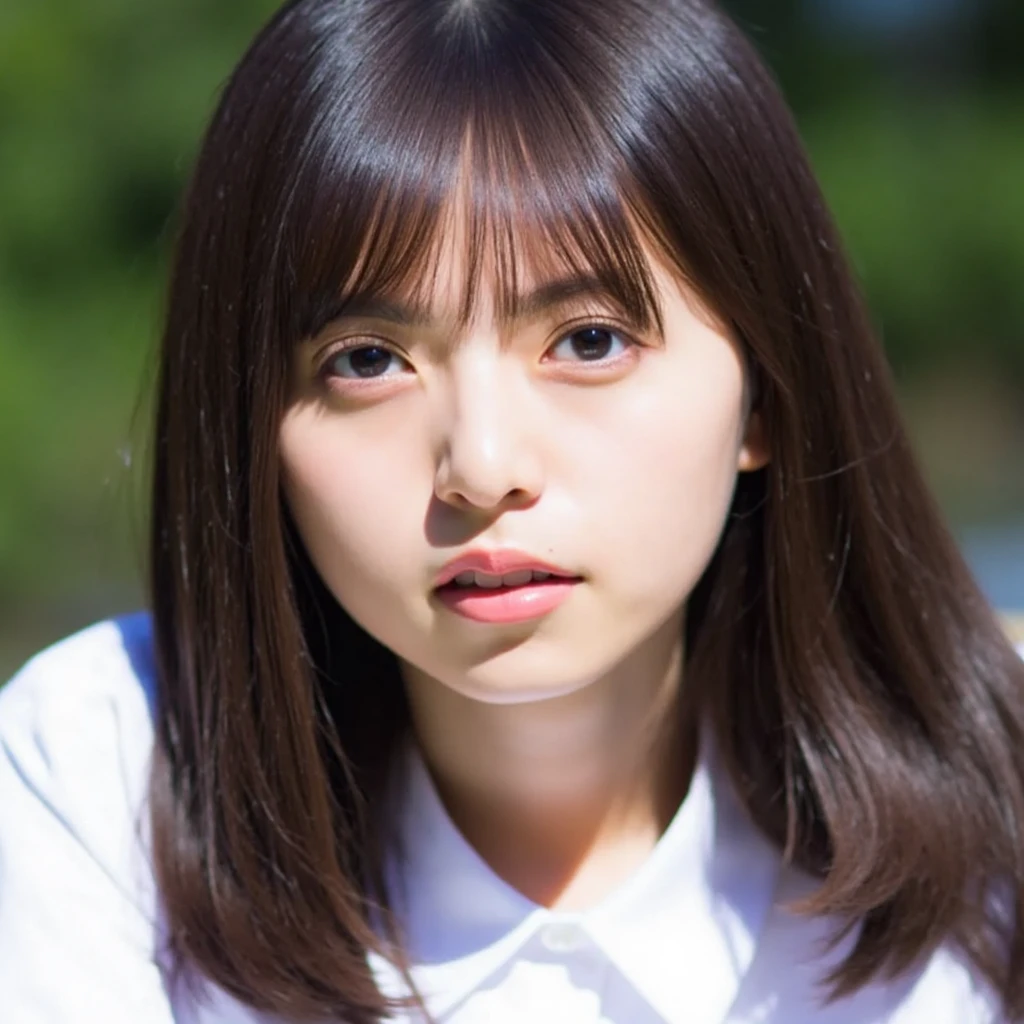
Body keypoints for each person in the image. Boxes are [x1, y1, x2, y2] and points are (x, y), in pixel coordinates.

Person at [1, 0, 1023, 1021]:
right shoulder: (103, 779)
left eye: (587, 341)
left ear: (764, 389)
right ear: (251, 426)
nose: (482, 468)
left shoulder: (997, 825)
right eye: (367, 361)